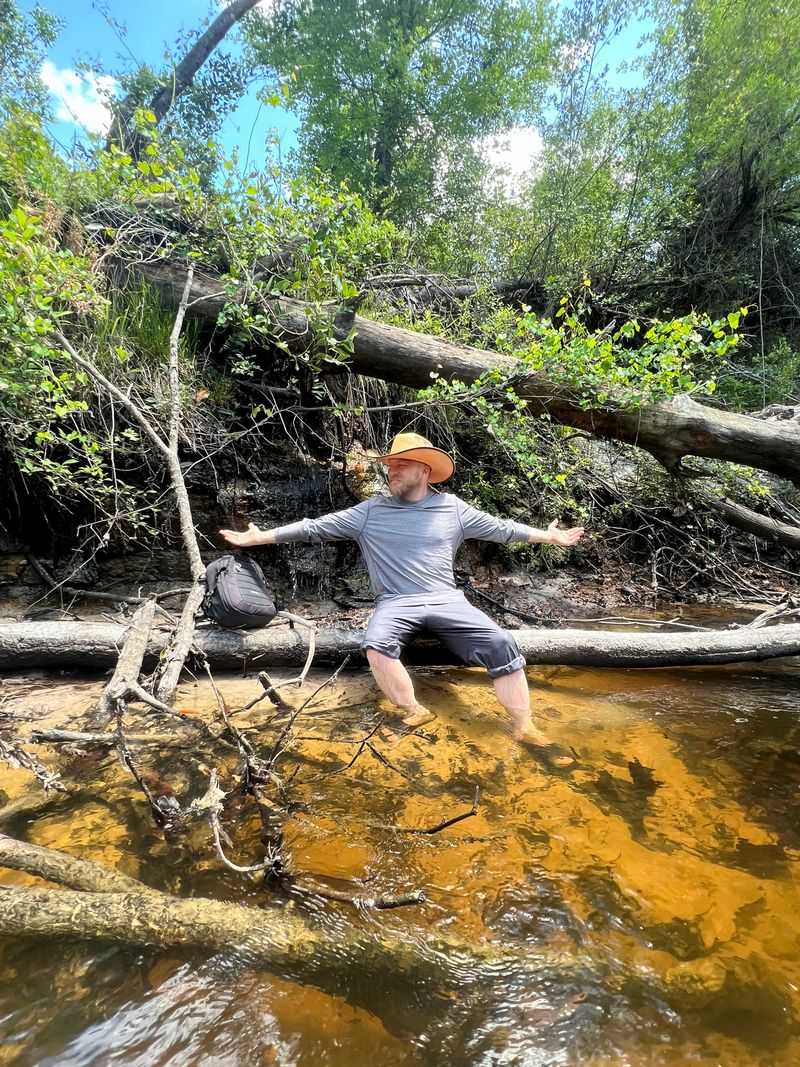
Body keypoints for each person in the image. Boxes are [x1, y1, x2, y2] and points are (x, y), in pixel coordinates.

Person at [220, 432, 584, 755]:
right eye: (390, 466)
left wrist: (548, 536)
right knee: (376, 643)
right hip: (396, 603)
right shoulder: (370, 512)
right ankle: (414, 710)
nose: (391, 471)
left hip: (447, 599)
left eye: (401, 465)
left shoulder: (453, 509)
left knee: (502, 642)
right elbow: (314, 528)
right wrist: (259, 537)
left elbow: (502, 529)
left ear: (425, 471)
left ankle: (524, 726)